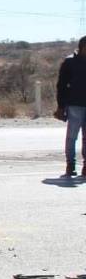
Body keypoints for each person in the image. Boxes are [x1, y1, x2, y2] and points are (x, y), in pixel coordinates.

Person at [55, 35, 86, 177]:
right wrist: (61, 106)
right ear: (82, 48)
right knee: (72, 136)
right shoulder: (69, 62)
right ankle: (70, 164)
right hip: (74, 104)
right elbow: (61, 86)